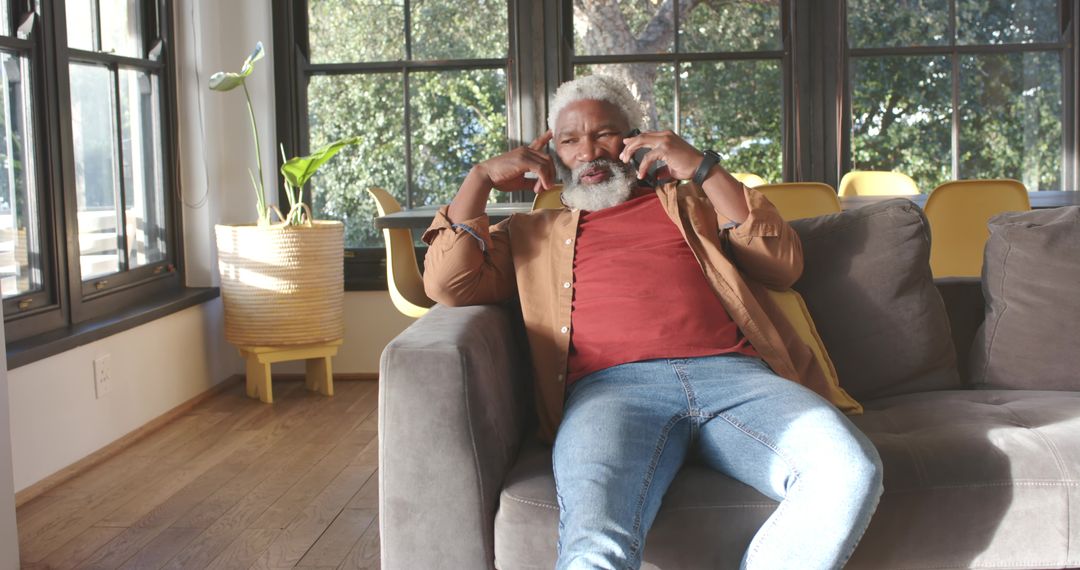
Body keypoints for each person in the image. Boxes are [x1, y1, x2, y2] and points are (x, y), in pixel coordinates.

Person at [421, 75, 883, 570]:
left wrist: (705, 169)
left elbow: (780, 264)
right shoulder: (530, 231)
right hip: (610, 393)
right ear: (551, 153)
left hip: (738, 380)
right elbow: (450, 285)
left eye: (604, 133)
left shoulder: (691, 204)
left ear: (634, 140)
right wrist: (479, 180)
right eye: (570, 140)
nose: (589, 151)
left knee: (848, 469)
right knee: (595, 546)